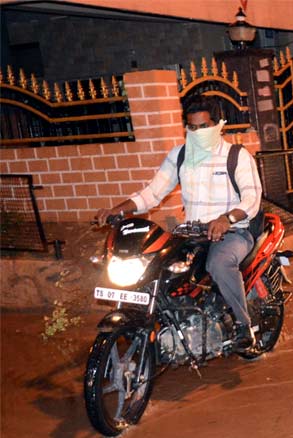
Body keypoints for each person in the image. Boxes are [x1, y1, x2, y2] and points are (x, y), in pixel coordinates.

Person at [96, 98, 261, 350]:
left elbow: (252, 198)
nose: (197, 133)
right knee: (157, 266)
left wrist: (226, 218)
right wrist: (118, 209)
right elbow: (152, 192)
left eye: (203, 126)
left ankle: (243, 325)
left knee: (218, 263)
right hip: (192, 232)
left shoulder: (237, 156)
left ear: (218, 126)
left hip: (233, 231)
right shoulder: (180, 154)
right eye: (192, 128)